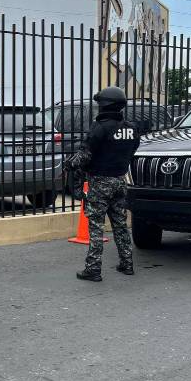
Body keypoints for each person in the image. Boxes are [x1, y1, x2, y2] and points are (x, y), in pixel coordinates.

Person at [64, 86, 140, 282]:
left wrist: (70, 164)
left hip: (100, 183)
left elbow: (85, 155)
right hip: (120, 181)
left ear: (105, 104)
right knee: (120, 225)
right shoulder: (131, 128)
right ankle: (127, 264)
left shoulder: (100, 127)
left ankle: (93, 269)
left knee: (96, 227)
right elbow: (132, 150)